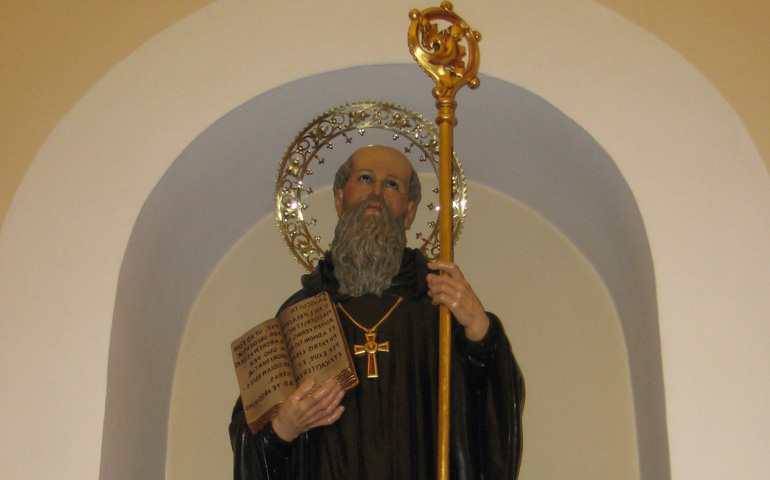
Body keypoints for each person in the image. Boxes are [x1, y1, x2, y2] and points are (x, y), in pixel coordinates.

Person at [230, 145, 524, 480]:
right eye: (365, 179)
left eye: (392, 184)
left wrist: (480, 328)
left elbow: (494, 411)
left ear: (410, 212)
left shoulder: (438, 309)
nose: (376, 192)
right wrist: (283, 428)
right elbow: (251, 437)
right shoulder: (299, 315)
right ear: (339, 198)